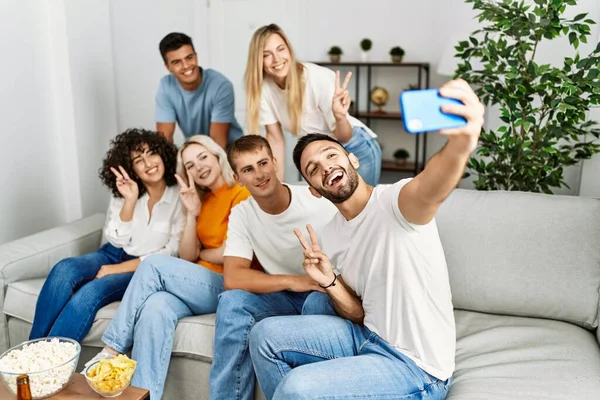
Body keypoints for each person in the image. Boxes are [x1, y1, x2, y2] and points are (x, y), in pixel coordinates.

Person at [248, 79, 485, 399]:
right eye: (313, 169)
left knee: (297, 388)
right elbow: (358, 312)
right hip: (367, 335)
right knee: (264, 335)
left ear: (352, 160)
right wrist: (330, 281)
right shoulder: (331, 234)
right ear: (315, 190)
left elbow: (432, 188)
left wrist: (462, 143)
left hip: (415, 366)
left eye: (331, 155)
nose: (326, 166)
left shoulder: (395, 203)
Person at [84, 135, 250, 400]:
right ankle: (143, 396)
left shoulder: (241, 193)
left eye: (203, 157)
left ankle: (111, 350)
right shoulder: (200, 200)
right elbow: (187, 254)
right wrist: (191, 213)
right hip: (195, 283)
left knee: (154, 264)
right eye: (191, 165)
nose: (199, 167)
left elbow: (235, 252)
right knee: (155, 308)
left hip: (225, 283)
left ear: (218, 156)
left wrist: (201, 252)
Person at [29, 128, 184, 342]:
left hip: (143, 269)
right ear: (132, 169)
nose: (148, 163)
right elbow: (115, 239)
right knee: (64, 269)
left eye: (152, 154)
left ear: (163, 154)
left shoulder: (179, 196)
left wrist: (118, 269)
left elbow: (172, 251)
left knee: (90, 293)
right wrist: (129, 201)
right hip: (112, 253)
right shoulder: (126, 190)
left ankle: (51, 366)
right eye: (139, 160)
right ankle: (30, 356)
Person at [244, 23, 382, 185]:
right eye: (266, 54)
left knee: (360, 208)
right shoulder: (264, 89)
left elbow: (345, 136)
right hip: (319, 155)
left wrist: (339, 116)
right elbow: (275, 138)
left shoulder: (317, 78)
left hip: (354, 147)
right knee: (328, 209)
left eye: (281, 49)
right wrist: (277, 185)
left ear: (289, 50)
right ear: (258, 60)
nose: (277, 59)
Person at [156, 32, 243, 148]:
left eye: (189, 58)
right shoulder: (166, 86)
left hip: (230, 153)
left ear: (196, 56)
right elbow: (164, 141)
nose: (186, 66)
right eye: (177, 62)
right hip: (197, 153)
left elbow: (218, 146)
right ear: (168, 67)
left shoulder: (221, 85)